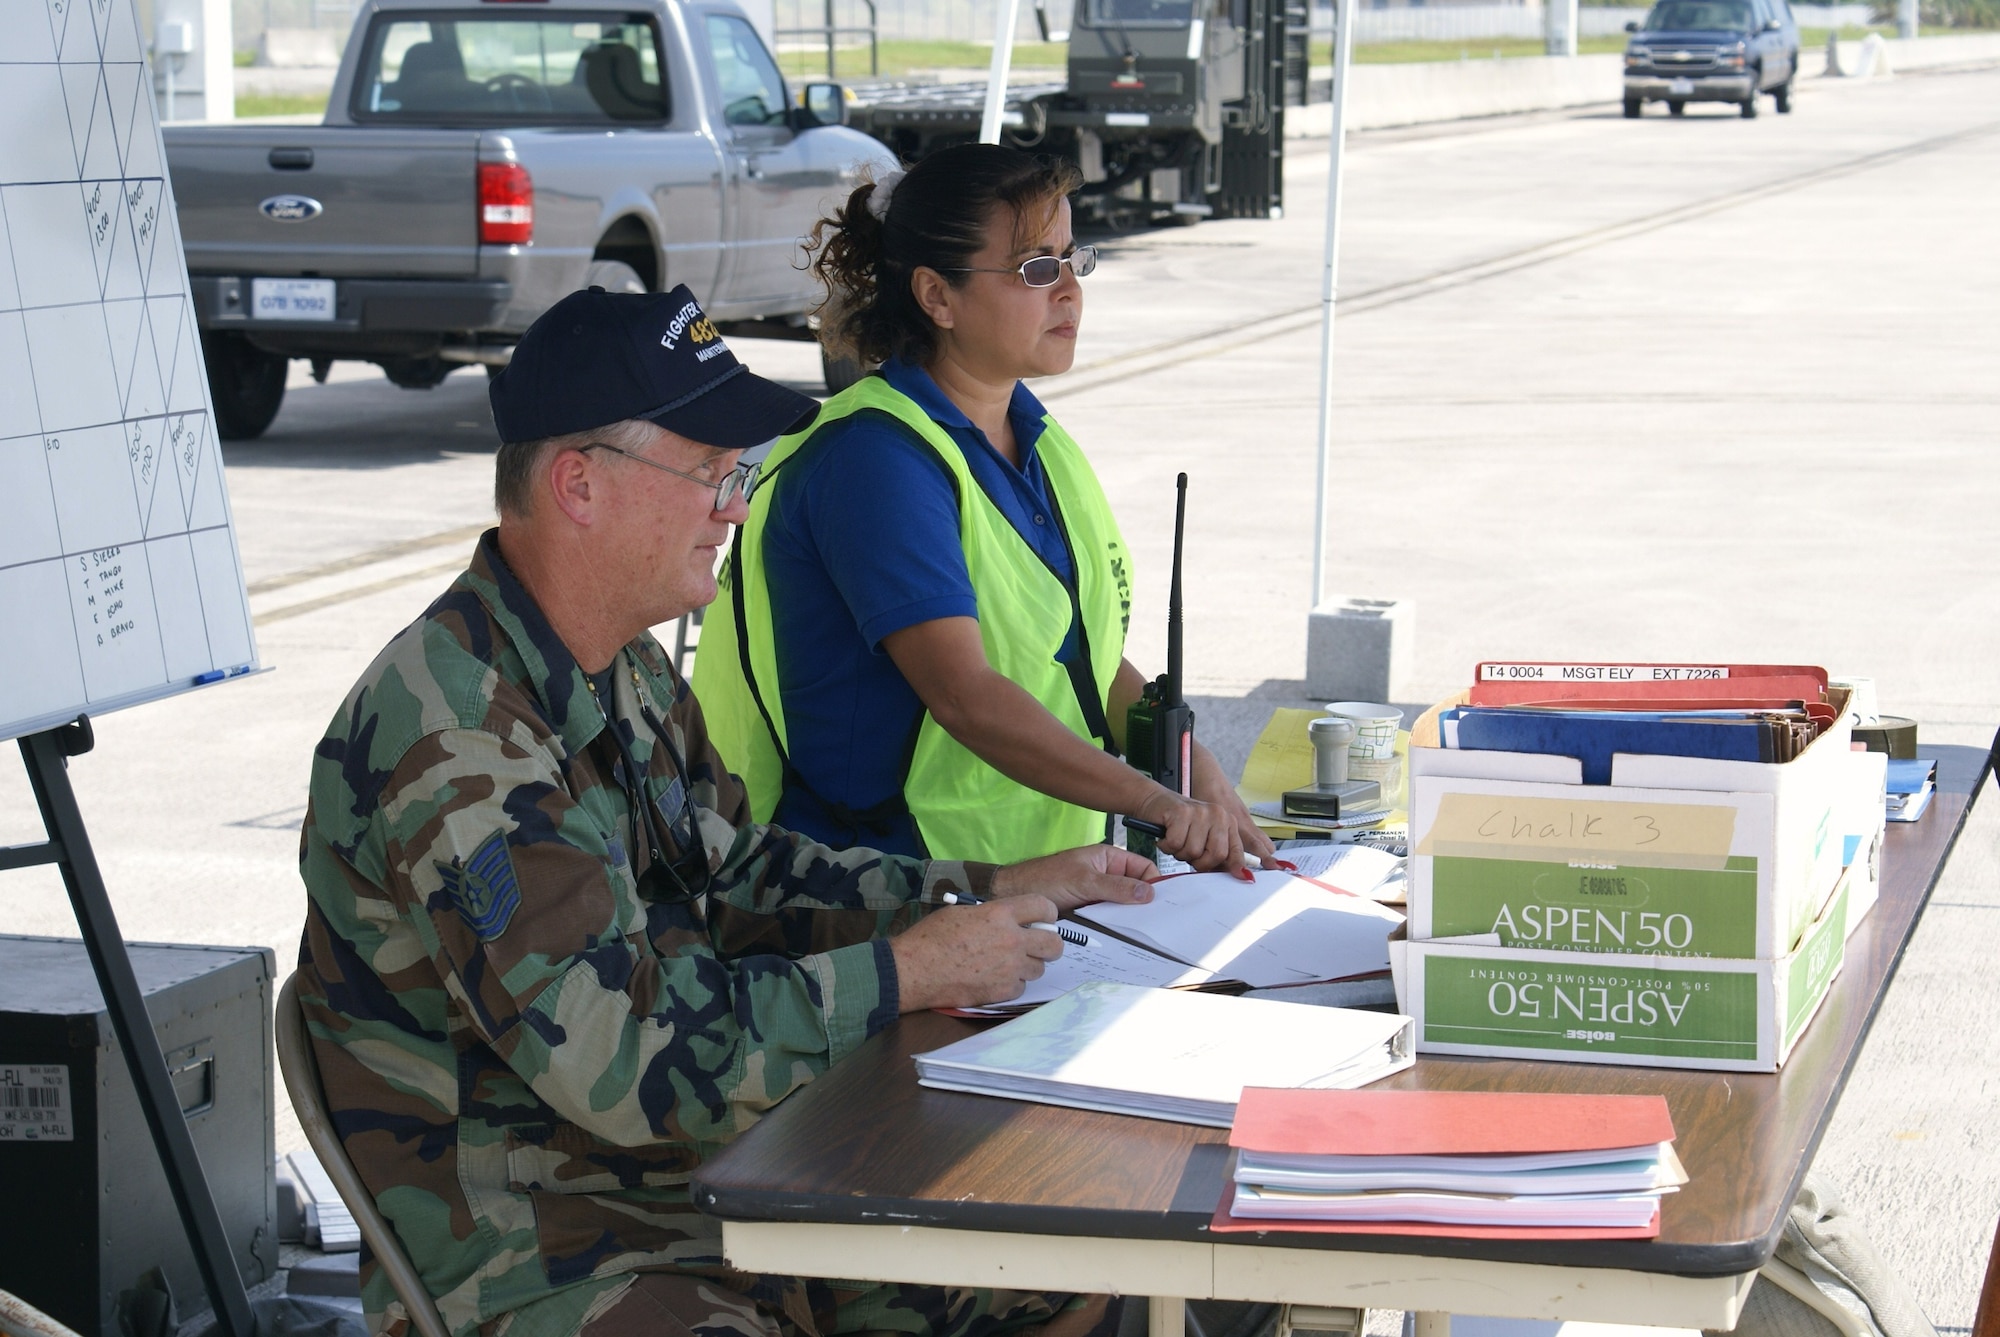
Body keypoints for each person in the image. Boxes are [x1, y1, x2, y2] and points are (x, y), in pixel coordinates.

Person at [294, 284, 1156, 1337]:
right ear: (578, 483)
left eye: (734, 474)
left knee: (1069, 1260)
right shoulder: (455, 738)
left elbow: (739, 877)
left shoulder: (621, 666)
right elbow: (618, 1056)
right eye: (708, 472)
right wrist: (907, 972)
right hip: (551, 1249)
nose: (736, 506)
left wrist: (982, 889)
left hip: (701, 1180)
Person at [691, 144, 1274, 874]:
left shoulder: (1033, 435)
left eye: (1072, 257)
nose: (1068, 289)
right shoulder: (873, 461)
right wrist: (1157, 802)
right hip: (897, 891)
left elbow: (1076, 654)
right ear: (937, 296)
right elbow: (964, 694)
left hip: (1045, 880)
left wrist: (1192, 766)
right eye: (1035, 267)